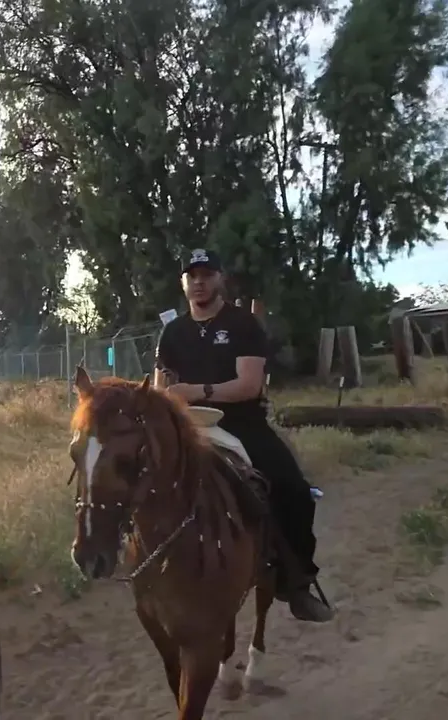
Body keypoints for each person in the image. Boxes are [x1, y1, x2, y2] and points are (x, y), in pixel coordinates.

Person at [153, 248, 334, 623]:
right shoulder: (172, 333)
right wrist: (167, 399)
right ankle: (139, 561)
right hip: (187, 427)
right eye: (192, 276)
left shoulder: (242, 324)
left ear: (219, 279)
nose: (199, 282)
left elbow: (249, 385)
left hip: (242, 424)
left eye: (206, 275)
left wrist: (195, 391)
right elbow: (161, 389)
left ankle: (297, 582)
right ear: (183, 283)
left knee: (293, 490)